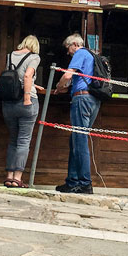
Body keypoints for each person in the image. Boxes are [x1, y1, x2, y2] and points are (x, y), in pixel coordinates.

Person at [54, 33, 100, 194]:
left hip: (82, 99)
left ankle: (84, 182)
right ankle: (72, 181)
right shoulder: (93, 56)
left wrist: (59, 87)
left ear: (74, 44)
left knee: (79, 141)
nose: (68, 53)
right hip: (94, 100)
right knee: (76, 140)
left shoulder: (81, 53)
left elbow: (67, 75)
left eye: (68, 49)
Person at [1, 35, 41, 188]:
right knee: (23, 141)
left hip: (9, 102)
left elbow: (14, 77)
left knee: (13, 140)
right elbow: (27, 75)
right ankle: (17, 178)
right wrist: (27, 97)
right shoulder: (34, 57)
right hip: (25, 103)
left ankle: (9, 176)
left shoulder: (10, 55)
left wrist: (33, 85)